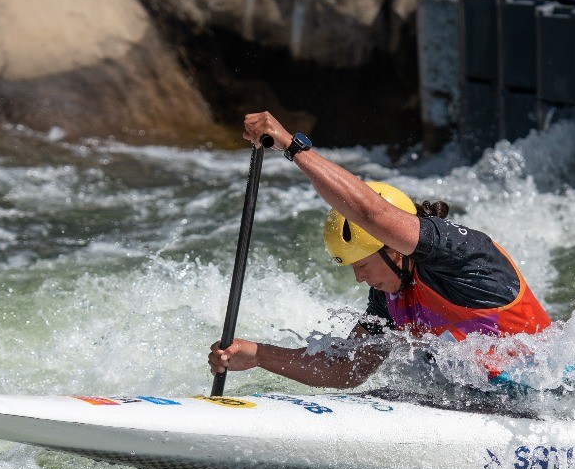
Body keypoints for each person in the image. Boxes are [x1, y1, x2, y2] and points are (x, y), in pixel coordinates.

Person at [207, 111, 553, 391]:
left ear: (394, 249)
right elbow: (346, 369)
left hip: (546, 403)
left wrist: (292, 147)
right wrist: (257, 355)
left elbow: (371, 213)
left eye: (363, 264)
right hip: (480, 407)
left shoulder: (460, 254)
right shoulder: (388, 296)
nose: (359, 278)